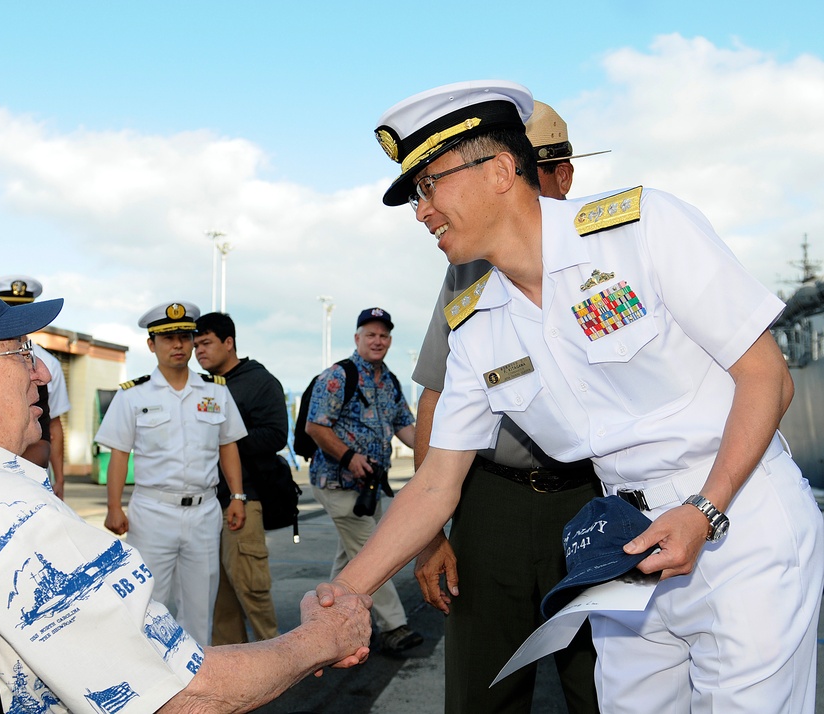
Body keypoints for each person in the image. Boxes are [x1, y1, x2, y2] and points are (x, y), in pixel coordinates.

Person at [318, 80, 824, 712]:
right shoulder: (474, 322)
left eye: (429, 186)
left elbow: (768, 376)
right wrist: (347, 593)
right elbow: (435, 481)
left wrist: (705, 509)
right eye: (415, 196)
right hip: (626, 544)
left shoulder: (639, 231)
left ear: (501, 169)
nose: (422, 212)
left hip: (736, 519)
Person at [0, 282, 373, 713]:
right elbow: (186, 696)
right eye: (20, 353)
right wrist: (320, 640)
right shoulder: (17, 524)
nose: (42, 372)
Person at [411, 101, 606, 713]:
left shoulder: (611, 253)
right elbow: (435, 399)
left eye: (538, 167)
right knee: (484, 687)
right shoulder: (468, 273)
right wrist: (427, 538)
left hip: (594, 497)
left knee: (608, 683)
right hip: (490, 501)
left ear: (561, 175)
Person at [94, 301, 247, 647]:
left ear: (193, 341)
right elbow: (119, 453)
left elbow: (228, 447)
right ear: (152, 345)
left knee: (200, 605)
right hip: (153, 511)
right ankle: (151, 677)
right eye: (167, 338)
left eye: (184, 337)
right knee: (149, 599)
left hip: (205, 511)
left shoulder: (215, 390)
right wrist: (114, 506)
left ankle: (197, 682)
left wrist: (237, 497)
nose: (177, 345)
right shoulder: (134, 395)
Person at [306, 307, 421, 654]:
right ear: (357, 338)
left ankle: (326, 616)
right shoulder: (338, 376)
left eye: (384, 335)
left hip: (370, 487)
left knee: (350, 559)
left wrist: (438, 454)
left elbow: (406, 427)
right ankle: (394, 626)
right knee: (374, 551)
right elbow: (316, 426)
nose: (378, 340)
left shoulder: (389, 380)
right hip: (338, 484)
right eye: (370, 334)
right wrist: (349, 457)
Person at [194, 311, 287, 645]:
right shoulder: (204, 387)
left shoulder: (259, 382)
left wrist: (225, 440)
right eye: (195, 345)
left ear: (229, 342)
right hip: (208, 504)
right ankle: (231, 668)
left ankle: (278, 658)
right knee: (220, 598)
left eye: (206, 343)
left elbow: (276, 436)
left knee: (252, 589)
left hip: (245, 500)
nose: (198, 351)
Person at [0, 274, 72, 499]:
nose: (39, 376)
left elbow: (52, 426)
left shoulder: (47, 364)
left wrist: (59, 478)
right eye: (10, 310)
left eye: (23, 312)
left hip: (31, 476)